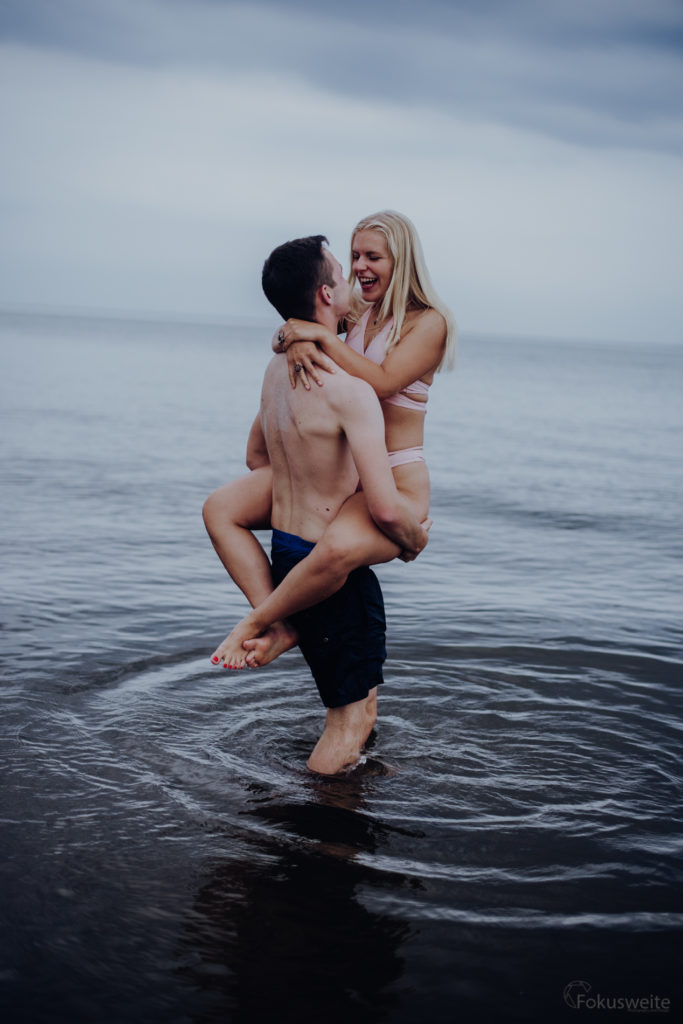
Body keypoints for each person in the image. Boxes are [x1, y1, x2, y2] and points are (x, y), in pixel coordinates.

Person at [204, 211, 455, 671]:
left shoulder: (429, 324)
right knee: (220, 509)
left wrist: (314, 335)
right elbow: (305, 313)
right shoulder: (356, 314)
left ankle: (257, 621)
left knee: (334, 551)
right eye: (355, 255)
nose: (360, 267)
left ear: (401, 261)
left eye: (373, 256)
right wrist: (292, 338)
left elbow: (381, 381)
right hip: (348, 477)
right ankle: (282, 625)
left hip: (394, 480)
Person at [220, 235, 429, 774]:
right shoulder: (350, 391)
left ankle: (349, 803)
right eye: (340, 271)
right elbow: (384, 509)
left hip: (288, 552)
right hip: (327, 571)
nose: (349, 278)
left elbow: (254, 456)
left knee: (362, 702)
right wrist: (413, 541)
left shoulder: (277, 372)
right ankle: (324, 839)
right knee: (348, 721)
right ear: (325, 293)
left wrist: (305, 472)